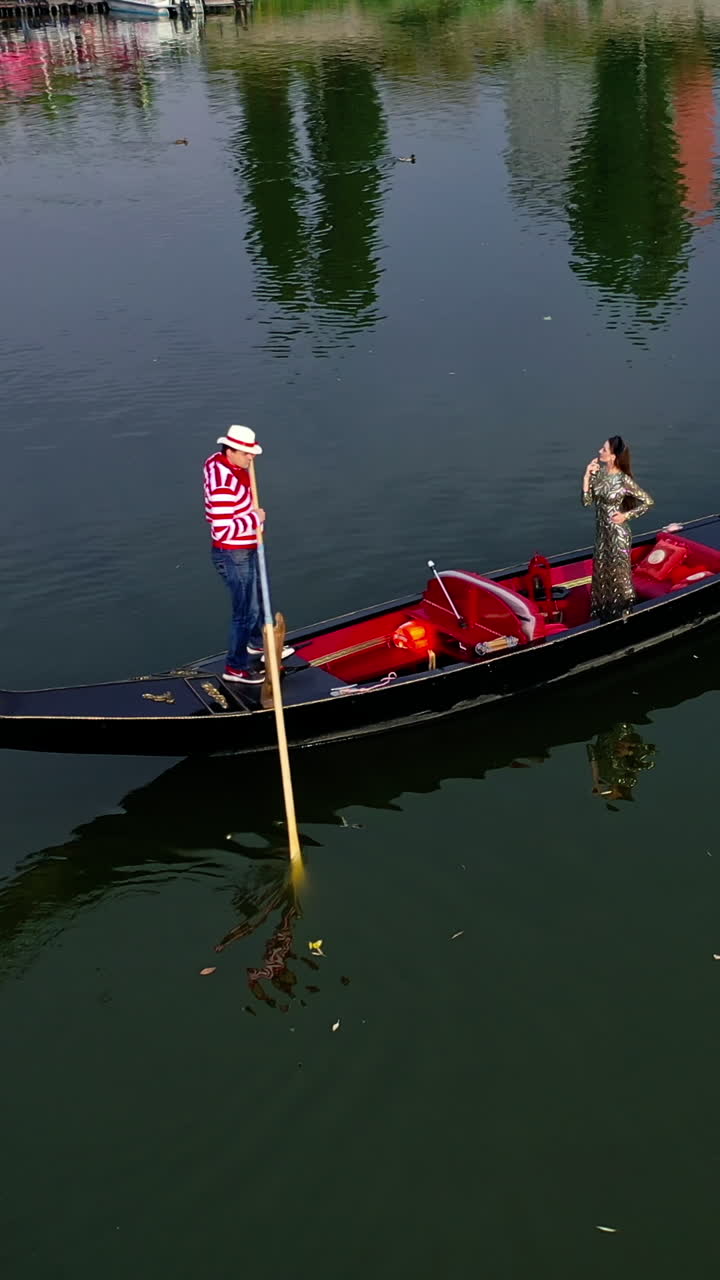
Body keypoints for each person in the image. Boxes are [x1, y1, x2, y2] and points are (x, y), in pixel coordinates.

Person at [204, 423, 292, 685]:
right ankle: (235, 667)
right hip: (234, 553)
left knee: (256, 602)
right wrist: (255, 518)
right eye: (245, 453)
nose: (251, 457)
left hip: (246, 547)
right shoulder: (223, 484)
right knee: (245, 612)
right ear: (229, 451)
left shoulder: (218, 461)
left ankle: (257, 644)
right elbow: (222, 529)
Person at [582, 436, 654, 620]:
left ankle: (627, 614)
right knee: (601, 573)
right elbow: (586, 502)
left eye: (604, 449)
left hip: (618, 534)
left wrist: (625, 516)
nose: (600, 451)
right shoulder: (599, 474)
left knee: (620, 575)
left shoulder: (623, 480)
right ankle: (604, 613)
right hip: (602, 535)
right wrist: (586, 476)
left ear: (613, 456)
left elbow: (647, 502)